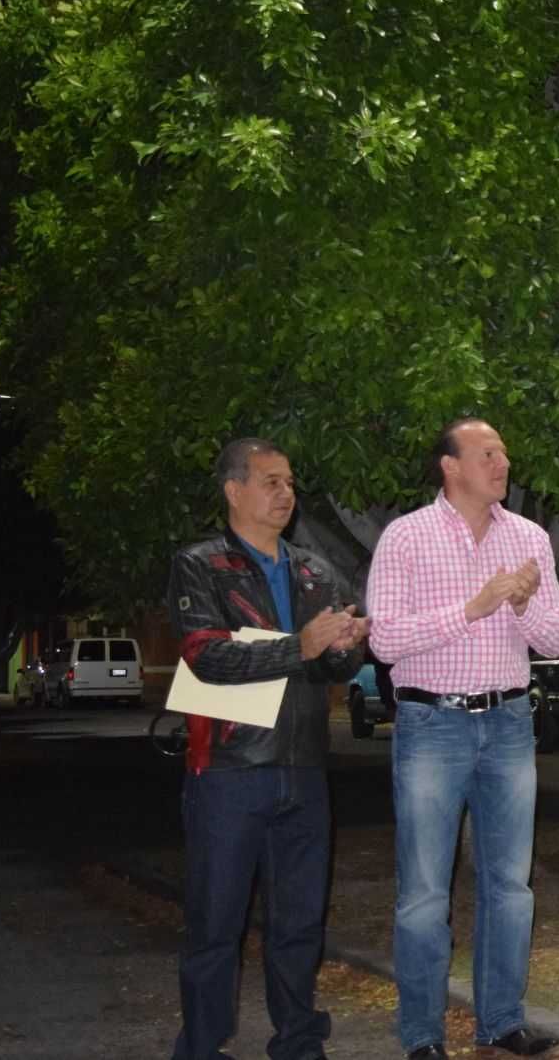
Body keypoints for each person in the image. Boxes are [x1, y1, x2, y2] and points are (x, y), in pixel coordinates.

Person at [367, 418, 559, 1060]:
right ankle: (424, 1036)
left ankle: (501, 1022)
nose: (501, 462)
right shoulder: (405, 538)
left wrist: (521, 603)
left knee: (510, 885)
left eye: (505, 453)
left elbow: (556, 638)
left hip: (510, 722)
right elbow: (385, 640)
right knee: (426, 891)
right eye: (487, 453)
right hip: (432, 724)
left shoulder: (529, 538)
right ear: (450, 467)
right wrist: (474, 607)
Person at [166, 438, 368, 1060]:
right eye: (271, 482)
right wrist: (301, 647)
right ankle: (201, 1047)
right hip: (228, 770)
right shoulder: (200, 564)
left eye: (290, 483)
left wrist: (346, 645)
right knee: (215, 924)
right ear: (234, 491)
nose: (287, 494)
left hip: (304, 767)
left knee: (300, 922)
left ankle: (299, 1040)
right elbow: (206, 656)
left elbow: (337, 667)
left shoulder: (313, 569)